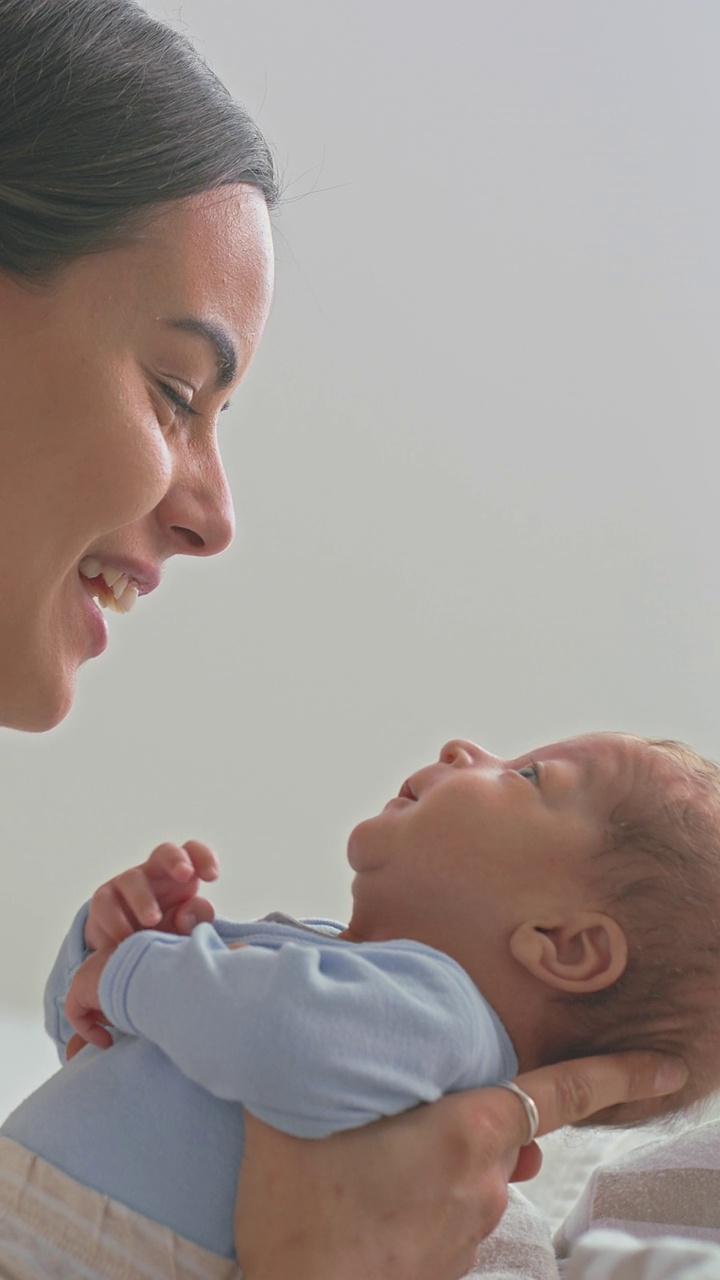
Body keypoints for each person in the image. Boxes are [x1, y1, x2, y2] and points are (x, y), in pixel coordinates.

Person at [0, 0, 689, 1275]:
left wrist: (129, 969)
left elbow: (173, 1036)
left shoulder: (408, 1015)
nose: (215, 516)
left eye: (532, 777)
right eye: (173, 391)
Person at [1, 730, 713, 1276]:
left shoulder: (443, 1020)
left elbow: (278, 1040)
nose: (464, 748)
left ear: (563, 944)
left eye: (527, 776)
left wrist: (134, 971)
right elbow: (83, 1042)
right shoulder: (337, 964)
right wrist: (106, 950)